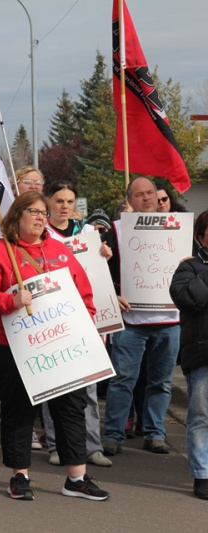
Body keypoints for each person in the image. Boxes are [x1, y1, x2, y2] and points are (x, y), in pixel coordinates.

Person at [0, 191, 109, 501]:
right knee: (19, 409)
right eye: (32, 211)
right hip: (11, 346)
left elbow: (83, 295)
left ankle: (77, 477)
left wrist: (83, 327)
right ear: (17, 216)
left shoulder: (60, 251)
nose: (39, 217)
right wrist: (10, 300)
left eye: (43, 213)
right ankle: (20, 476)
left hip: (61, 344)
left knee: (70, 408)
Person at [101, 177, 181, 457]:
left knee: (161, 381)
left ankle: (155, 433)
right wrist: (111, 292)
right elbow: (98, 272)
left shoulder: (179, 228)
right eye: (139, 195)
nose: (147, 199)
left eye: (151, 194)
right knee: (123, 379)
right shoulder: (116, 231)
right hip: (130, 321)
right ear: (130, 200)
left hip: (169, 320)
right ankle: (113, 434)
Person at [42, 182, 113, 468]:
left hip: (86, 317)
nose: (65, 206)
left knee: (89, 388)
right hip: (54, 318)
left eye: (70, 201)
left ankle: (92, 445)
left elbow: (100, 275)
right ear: (49, 202)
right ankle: (56, 446)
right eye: (59, 201)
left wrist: (106, 254)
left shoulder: (88, 233)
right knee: (54, 388)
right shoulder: (41, 234)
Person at [170, 209, 208, 500]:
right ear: (201, 238)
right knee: (201, 417)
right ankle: (203, 474)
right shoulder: (188, 268)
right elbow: (192, 300)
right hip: (203, 354)